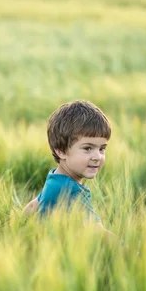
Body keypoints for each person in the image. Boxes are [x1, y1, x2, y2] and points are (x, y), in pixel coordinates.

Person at [23, 100, 115, 237]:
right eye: (88, 148)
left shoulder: (55, 179)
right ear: (61, 151)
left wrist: (18, 230)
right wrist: (124, 247)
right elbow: (98, 231)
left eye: (102, 149)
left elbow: (31, 207)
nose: (97, 157)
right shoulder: (71, 191)